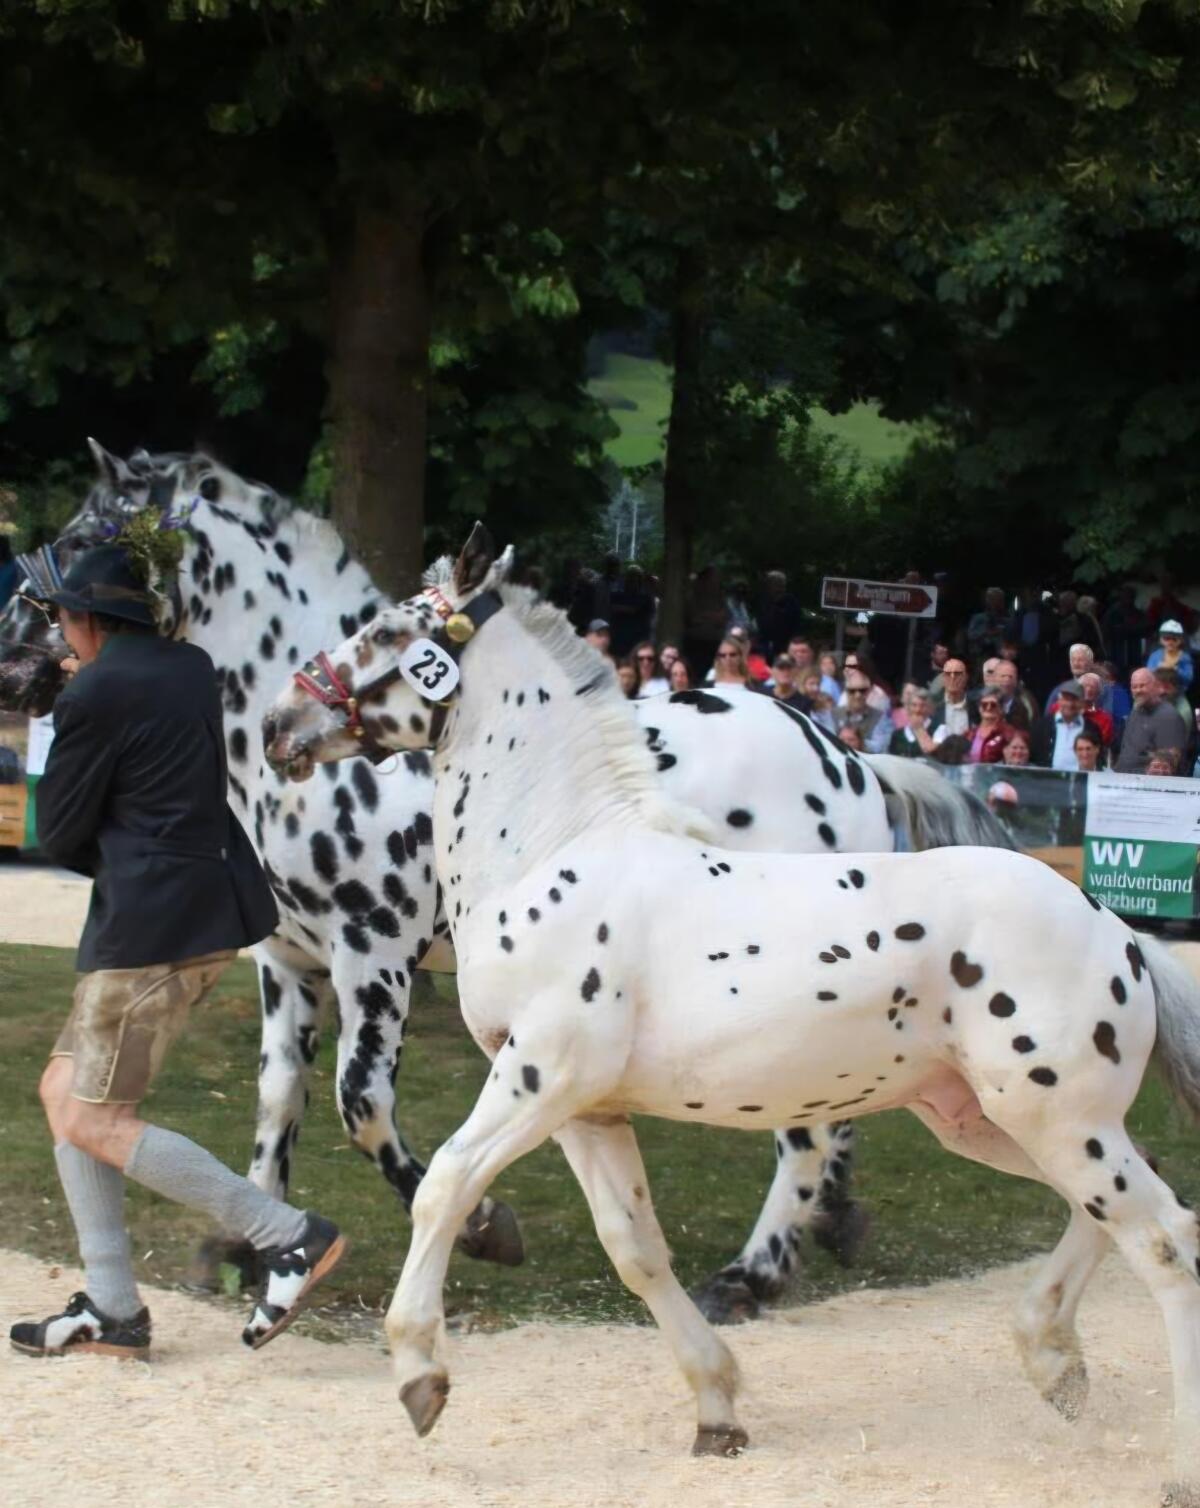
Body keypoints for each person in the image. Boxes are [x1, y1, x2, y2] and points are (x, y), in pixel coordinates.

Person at [10, 544, 344, 1360]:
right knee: (63, 1092)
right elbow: (144, 708)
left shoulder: (92, 693)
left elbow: (59, 832)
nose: (57, 629)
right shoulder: (190, 668)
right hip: (200, 908)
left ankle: (288, 1236)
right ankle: (113, 1308)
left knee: (93, 1116)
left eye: (60, 616)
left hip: (148, 927)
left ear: (85, 618)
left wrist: (69, 704)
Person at [1115, 667, 1191, 773]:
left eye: (1142, 686)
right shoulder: (1134, 713)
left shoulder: (1168, 716)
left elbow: (1171, 764)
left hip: (1146, 780)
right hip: (1120, 776)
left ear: (1156, 686)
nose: (1138, 690)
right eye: (1134, 687)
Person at [1030, 680, 1101, 771]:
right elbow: (1034, 756)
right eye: (1066, 699)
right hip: (1047, 778)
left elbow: (1099, 758)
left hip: (1081, 778)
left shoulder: (1092, 728)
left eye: (1075, 699)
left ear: (1083, 703)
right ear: (1059, 701)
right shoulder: (1042, 726)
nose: (1070, 704)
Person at [834, 670, 891, 753]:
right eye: (852, 691)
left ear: (869, 692)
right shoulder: (833, 714)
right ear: (846, 691)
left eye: (862, 691)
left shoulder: (880, 717)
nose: (858, 695)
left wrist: (857, 740)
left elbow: (881, 747)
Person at [1147, 619, 1195, 695]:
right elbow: (1148, 675)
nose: (1170, 642)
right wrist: (1159, 668)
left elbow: (1188, 678)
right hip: (1157, 694)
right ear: (1161, 640)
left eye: (1174, 639)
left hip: (1178, 694)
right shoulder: (1155, 655)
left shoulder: (1185, 657)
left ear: (1180, 640)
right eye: (1166, 639)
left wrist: (1175, 669)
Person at [887, 688, 939, 758]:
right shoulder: (897, 734)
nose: (918, 710)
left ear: (930, 709)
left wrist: (919, 728)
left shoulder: (938, 729)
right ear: (908, 708)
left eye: (923, 706)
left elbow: (932, 753)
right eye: (914, 705)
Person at [966, 692, 1015, 764]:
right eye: (984, 705)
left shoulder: (1008, 733)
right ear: (979, 708)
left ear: (1001, 709)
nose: (988, 708)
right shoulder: (969, 733)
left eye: (993, 705)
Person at [931, 658, 972, 738]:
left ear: (966, 677)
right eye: (948, 673)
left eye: (957, 673)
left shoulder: (977, 706)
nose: (952, 677)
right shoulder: (933, 708)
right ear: (943, 678)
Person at [966, 587, 1009, 665]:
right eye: (992, 598)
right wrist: (986, 632)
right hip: (981, 656)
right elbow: (970, 635)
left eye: (998, 599)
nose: (995, 602)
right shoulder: (978, 618)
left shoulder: (1006, 621)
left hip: (1000, 657)